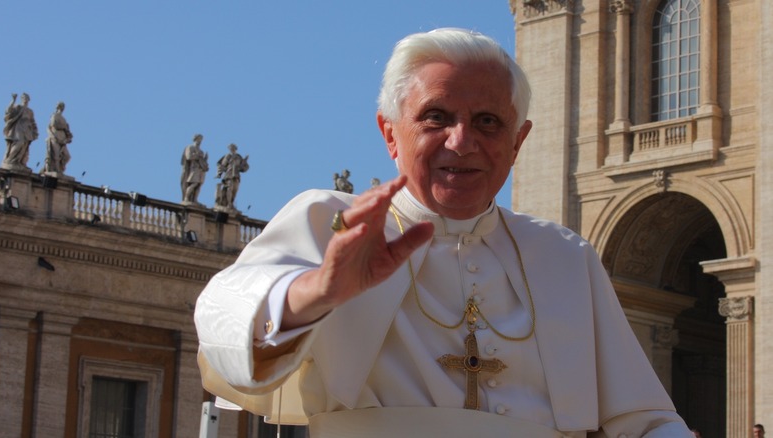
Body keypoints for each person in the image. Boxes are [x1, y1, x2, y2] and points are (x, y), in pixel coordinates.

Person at [194, 28, 692, 437]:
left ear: (518, 142)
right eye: (436, 117)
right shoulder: (330, 219)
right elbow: (224, 319)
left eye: (487, 122)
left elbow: (644, 421)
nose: (462, 141)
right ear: (390, 132)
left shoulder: (564, 255)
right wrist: (316, 291)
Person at [2, 93, 39, 170]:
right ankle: (10, 161)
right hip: (18, 129)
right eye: (24, 98)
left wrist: (35, 131)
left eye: (27, 98)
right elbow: (9, 111)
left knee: (24, 146)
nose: (25, 100)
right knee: (19, 143)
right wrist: (13, 100)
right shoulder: (18, 107)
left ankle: (20, 162)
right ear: (21, 99)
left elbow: (33, 122)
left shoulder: (30, 111)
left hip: (27, 131)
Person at [214, 143, 248, 210]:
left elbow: (244, 167)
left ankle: (231, 203)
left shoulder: (239, 157)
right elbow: (222, 165)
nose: (231, 149)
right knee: (229, 189)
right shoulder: (228, 156)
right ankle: (229, 203)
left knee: (235, 190)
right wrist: (219, 174)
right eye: (230, 148)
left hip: (236, 175)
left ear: (235, 148)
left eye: (233, 147)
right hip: (228, 175)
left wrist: (244, 163)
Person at [43, 101, 73, 175]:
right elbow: (54, 124)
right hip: (55, 138)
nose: (62, 108)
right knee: (55, 156)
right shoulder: (54, 116)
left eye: (63, 107)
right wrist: (64, 127)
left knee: (67, 156)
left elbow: (67, 130)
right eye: (62, 106)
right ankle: (56, 171)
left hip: (63, 140)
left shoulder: (63, 119)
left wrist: (68, 136)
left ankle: (60, 169)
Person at [180, 134, 209, 204]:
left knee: (199, 185)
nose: (200, 141)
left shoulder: (201, 151)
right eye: (199, 139)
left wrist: (205, 159)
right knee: (194, 183)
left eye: (201, 140)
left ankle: (195, 200)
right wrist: (198, 156)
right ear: (195, 139)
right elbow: (189, 157)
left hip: (201, 169)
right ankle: (186, 198)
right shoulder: (190, 147)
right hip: (193, 169)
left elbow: (202, 161)